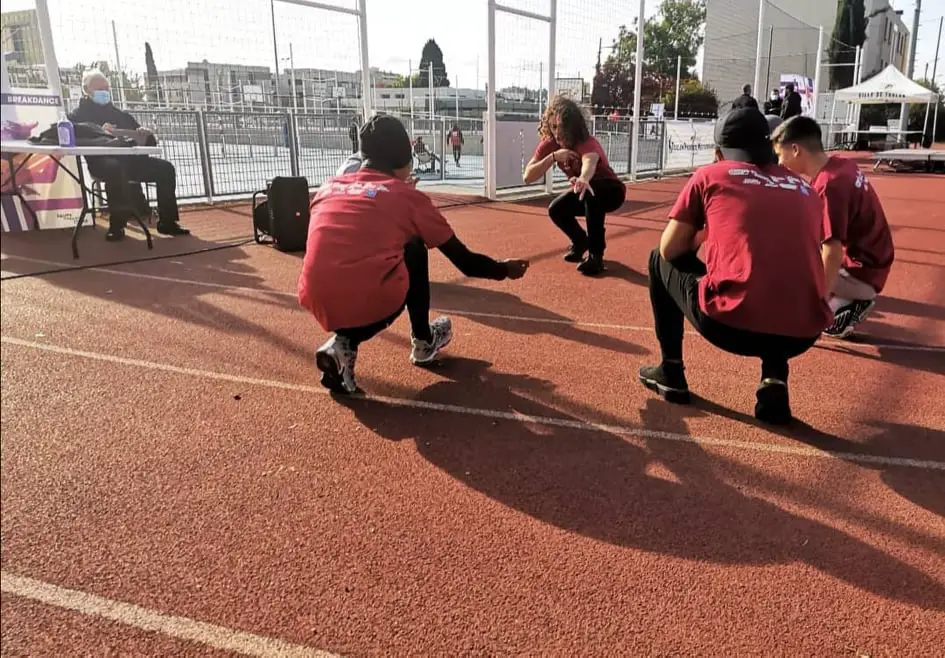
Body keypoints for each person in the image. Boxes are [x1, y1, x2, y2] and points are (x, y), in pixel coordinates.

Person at [298, 115, 530, 395]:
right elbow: (465, 262)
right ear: (407, 160)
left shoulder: (329, 187)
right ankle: (421, 341)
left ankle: (342, 345)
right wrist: (503, 269)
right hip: (368, 302)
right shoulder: (409, 199)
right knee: (414, 249)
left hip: (313, 297)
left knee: (377, 255)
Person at [638, 108, 831, 425]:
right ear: (770, 147)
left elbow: (670, 248)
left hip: (730, 325)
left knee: (657, 258)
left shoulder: (710, 175)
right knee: (777, 271)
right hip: (803, 331)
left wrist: (705, 228)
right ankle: (774, 382)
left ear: (718, 153)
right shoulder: (805, 188)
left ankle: (671, 370)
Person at [772, 116, 894, 338]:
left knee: (788, 267)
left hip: (862, 272)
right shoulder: (841, 163)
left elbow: (832, 252)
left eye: (780, 155)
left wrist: (817, 304)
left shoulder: (829, 186)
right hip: (873, 263)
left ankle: (845, 303)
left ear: (796, 149)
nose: (779, 163)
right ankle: (845, 300)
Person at [68, 69, 189, 242]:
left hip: (132, 162)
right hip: (102, 162)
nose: (105, 92)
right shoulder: (76, 116)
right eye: (100, 89)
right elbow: (74, 136)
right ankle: (117, 224)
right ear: (87, 90)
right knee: (114, 169)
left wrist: (146, 135)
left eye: (107, 89)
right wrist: (98, 131)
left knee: (165, 169)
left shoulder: (121, 114)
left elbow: (147, 144)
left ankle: (168, 222)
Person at [523, 96, 626, 276]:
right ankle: (580, 242)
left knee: (590, 191)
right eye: (553, 127)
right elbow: (527, 176)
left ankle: (596, 256)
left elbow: (590, 161)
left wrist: (584, 178)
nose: (557, 133)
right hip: (586, 191)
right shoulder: (550, 143)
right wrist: (554, 157)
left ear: (572, 126)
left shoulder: (585, 141)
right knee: (556, 209)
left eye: (561, 127)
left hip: (611, 190)